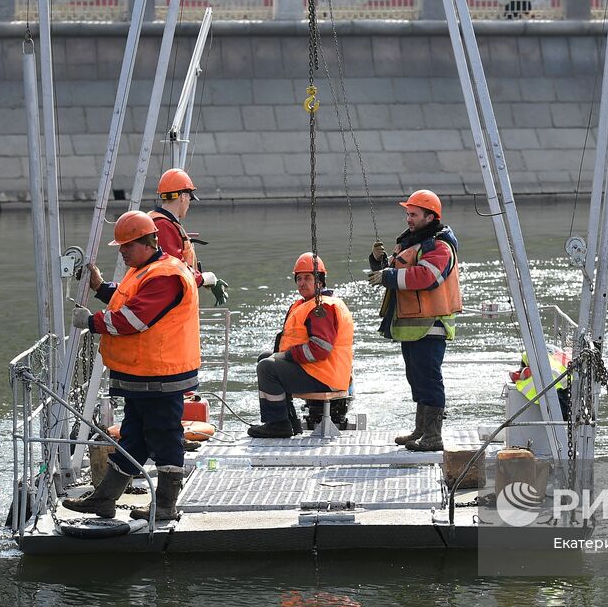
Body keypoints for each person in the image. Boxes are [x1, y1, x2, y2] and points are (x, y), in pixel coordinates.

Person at [62, 210, 200, 523]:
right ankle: (104, 499)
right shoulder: (146, 270)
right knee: (134, 438)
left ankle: (164, 506)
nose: (122, 252)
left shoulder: (164, 276)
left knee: (165, 437)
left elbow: (133, 319)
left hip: (161, 377)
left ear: (147, 243)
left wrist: (92, 322)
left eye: (126, 246)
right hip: (144, 376)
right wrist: (99, 287)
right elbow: (127, 302)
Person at [368, 189, 461, 452]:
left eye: (414, 214)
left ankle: (434, 437)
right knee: (417, 377)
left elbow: (427, 277)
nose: (408, 219)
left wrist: (386, 275)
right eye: (407, 213)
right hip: (413, 324)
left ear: (430, 216)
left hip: (430, 324)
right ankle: (422, 430)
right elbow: (398, 272)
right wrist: (379, 263)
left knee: (429, 378)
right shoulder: (414, 242)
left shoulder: (440, 246)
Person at [248, 253, 355, 439]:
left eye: (307, 278)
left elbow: (320, 348)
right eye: (299, 278)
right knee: (265, 358)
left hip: (324, 375)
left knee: (267, 367)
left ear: (320, 282)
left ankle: (278, 424)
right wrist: (282, 355)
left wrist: (287, 356)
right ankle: (289, 421)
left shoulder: (321, 308)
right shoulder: (307, 304)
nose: (302, 283)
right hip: (318, 369)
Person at [152, 168, 228, 306]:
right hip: (170, 310)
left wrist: (205, 281)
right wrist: (208, 279)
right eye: (190, 198)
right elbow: (176, 272)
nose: (189, 204)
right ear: (183, 197)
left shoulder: (163, 223)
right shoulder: (163, 226)